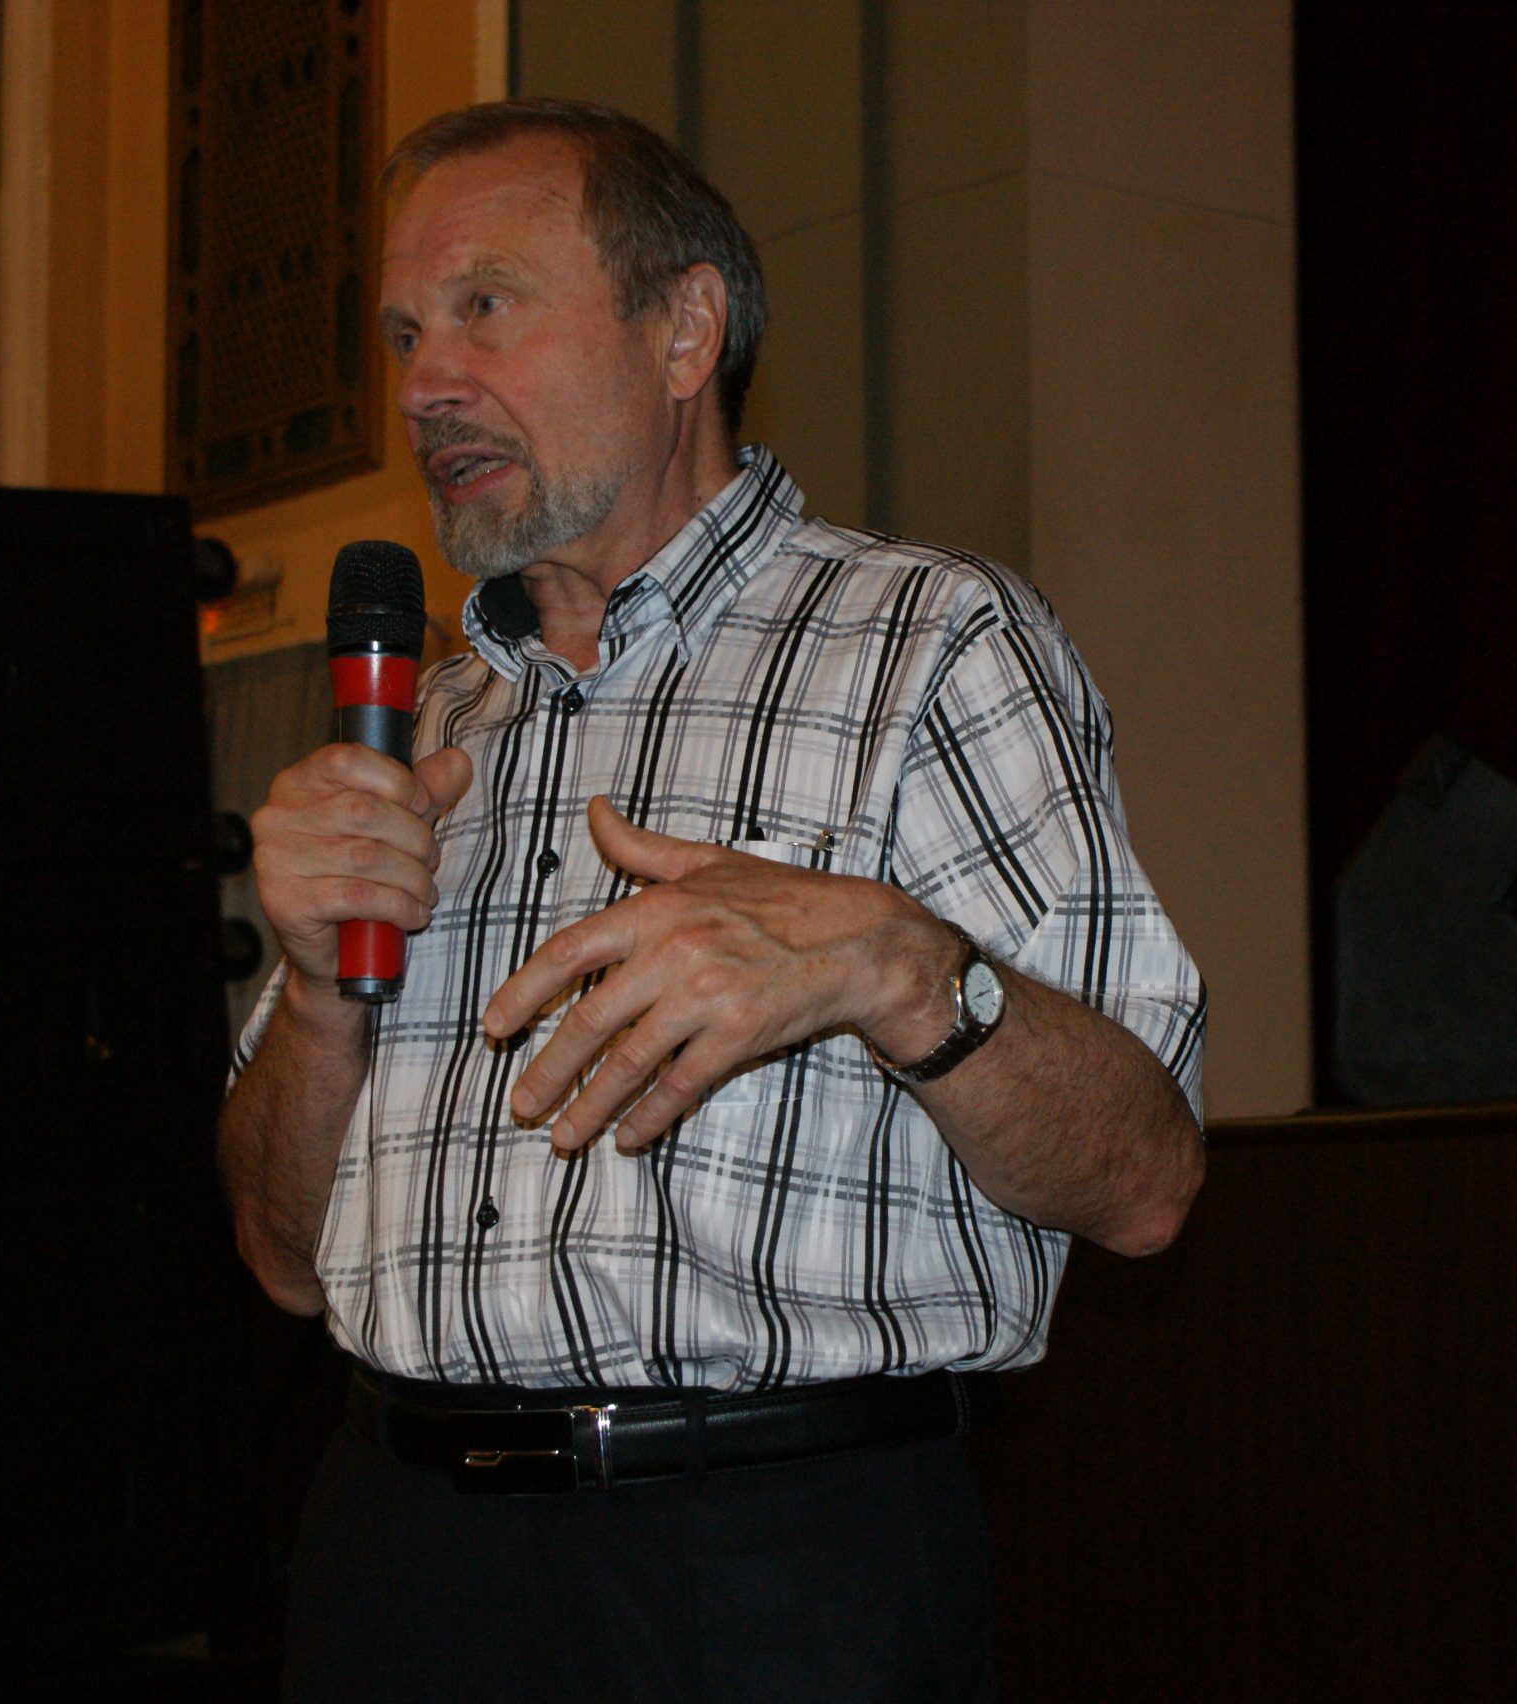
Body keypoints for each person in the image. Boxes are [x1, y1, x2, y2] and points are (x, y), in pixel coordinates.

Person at [219, 97, 1206, 1702]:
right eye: (403, 334)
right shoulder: (429, 729)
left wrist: (906, 971)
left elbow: (1147, 1180)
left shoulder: (930, 646)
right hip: (398, 1558)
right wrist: (321, 986)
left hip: (774, 1570)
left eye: (484, 306)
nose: (420, 385)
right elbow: (278, 1259)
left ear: (685, 329)